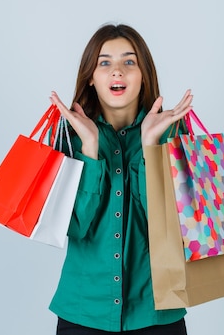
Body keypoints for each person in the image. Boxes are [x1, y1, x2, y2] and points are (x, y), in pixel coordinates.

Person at [48, 23, 193, 334]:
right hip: (82, 313)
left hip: (157, 314)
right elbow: (72, 226)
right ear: (91, 76)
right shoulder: (67, 137)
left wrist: (149, 146)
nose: (118, 71)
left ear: (144, 75)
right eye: (105, 62)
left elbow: (168, 229)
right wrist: (89, 150)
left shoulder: (173, 133)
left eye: (129, 61)